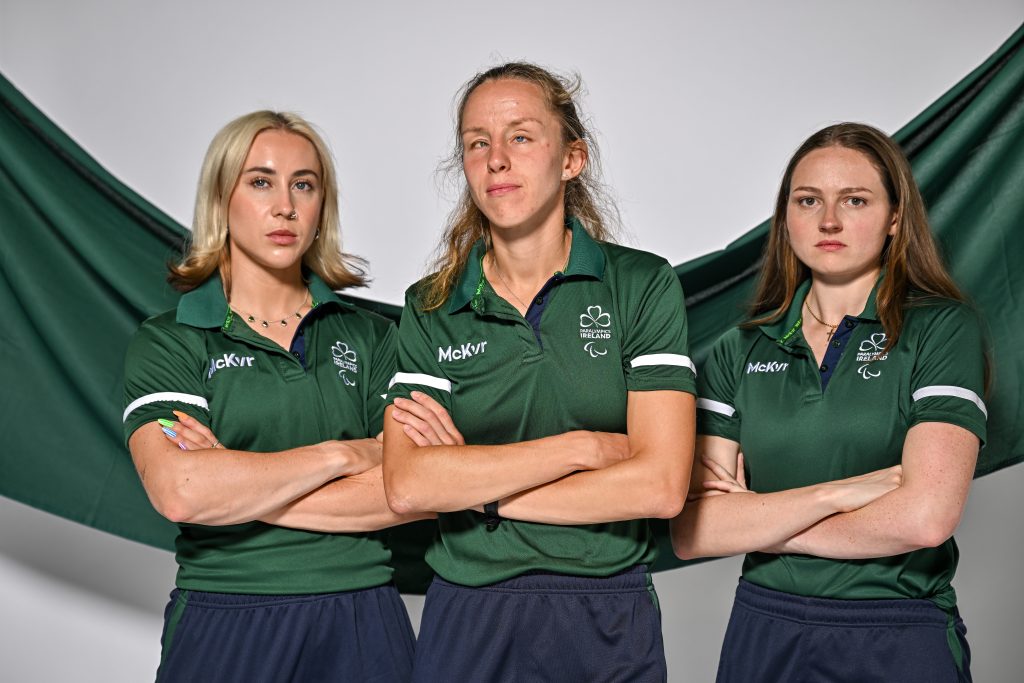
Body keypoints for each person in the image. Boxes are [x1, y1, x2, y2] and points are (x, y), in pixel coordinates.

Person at [381, 62, 697, 682]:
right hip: (468, 610)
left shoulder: (640, 284)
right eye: (477, 143)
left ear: (572, 158)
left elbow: (659, 487)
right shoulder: (431, 306)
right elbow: (409, 487)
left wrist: (479, 487)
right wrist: (580, 450)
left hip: (607, 609)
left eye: (520, 136)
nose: (496, 159)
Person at [671, 122, 987, 682]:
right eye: (808, 200)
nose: (830, 220)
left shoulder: (941, 329)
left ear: (894, 219)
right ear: (786, 217)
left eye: (855, 200)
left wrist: (762, 519)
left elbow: (926, 518)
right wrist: (837, 494)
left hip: (896, 631)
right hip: (764, 631)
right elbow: (695, 530)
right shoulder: (736, 350)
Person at [122, 111, 428, 682]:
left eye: (303, 185)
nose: (284, 205)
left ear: (320, 208)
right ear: (222, 198)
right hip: (226, 616)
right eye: (260, 181)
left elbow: (415, 491)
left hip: (363, 616)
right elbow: (182, 491)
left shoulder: (373, 338)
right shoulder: (171, 340)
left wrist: (236, 484)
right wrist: (347, 454)